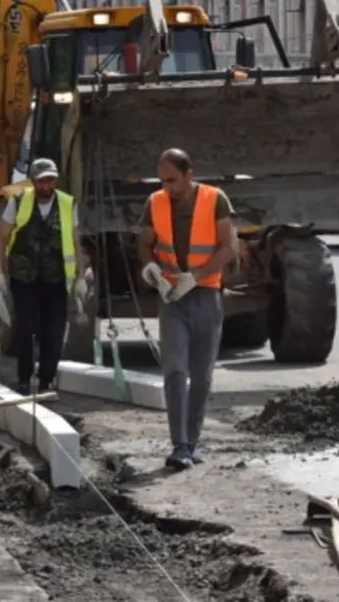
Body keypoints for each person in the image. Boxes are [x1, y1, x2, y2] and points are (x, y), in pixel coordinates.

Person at [138, 148, 236, 470]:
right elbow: (145, 244)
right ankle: (179, 446)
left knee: (202, 375)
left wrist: (194, 278)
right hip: (171, 298)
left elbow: (228, 248)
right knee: (175, 370)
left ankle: (192, 442)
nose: (168, 187)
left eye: (173, 180)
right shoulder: (155, 202)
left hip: (205, 294)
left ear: (189, 175)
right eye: (163, 180)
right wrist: (151, 269)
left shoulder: (215, 199)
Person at [0, 158, 88, 396]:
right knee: (25, 329)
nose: (46, 186)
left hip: (55, 280)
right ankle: (24, 378)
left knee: (53, 332)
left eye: (50, 180)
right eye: (42, 181)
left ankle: (46, 381)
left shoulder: (67, 204)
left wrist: (81, 277)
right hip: (24, 278)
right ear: (33, 181)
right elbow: (1, 237)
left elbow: (75, 241)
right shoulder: (19, 202)